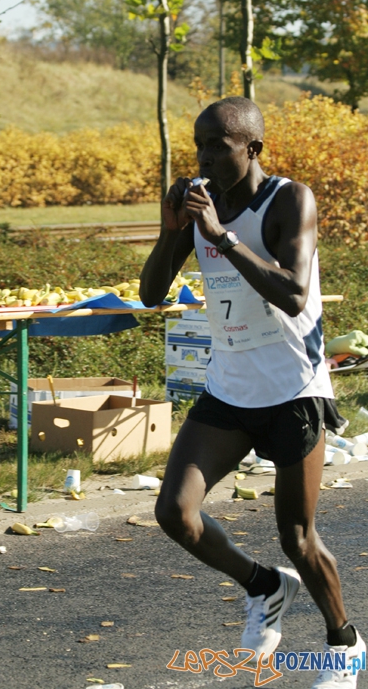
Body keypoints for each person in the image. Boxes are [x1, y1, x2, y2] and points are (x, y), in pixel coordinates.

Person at [140, 96, 365, 688]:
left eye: (219, 145)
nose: (205, 158)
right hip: (230, 387)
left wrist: (221, 236)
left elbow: (293, 291)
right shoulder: (200, 206)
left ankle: (345, 646)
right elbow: (149, 293)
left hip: (294, 388)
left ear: (253, 148)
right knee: (175, 513)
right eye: (199, 146)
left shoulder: (290, 199)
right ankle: (263, 586)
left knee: (297, 537)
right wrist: (174, 234)